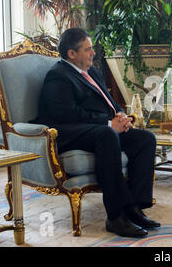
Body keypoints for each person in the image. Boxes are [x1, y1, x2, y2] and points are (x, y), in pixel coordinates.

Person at [34, 27, 159, 237]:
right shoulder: (58, 76)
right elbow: (67, 114)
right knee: (107, 135)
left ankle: (134, 208)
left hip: (97, 128)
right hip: (68, 132)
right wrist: (108, 124)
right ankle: (115, 216)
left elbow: (109, 101)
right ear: (71, 54)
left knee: (145, 139)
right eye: (88, 49)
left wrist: (120, 115)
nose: (93, 53)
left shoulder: (90, 71)